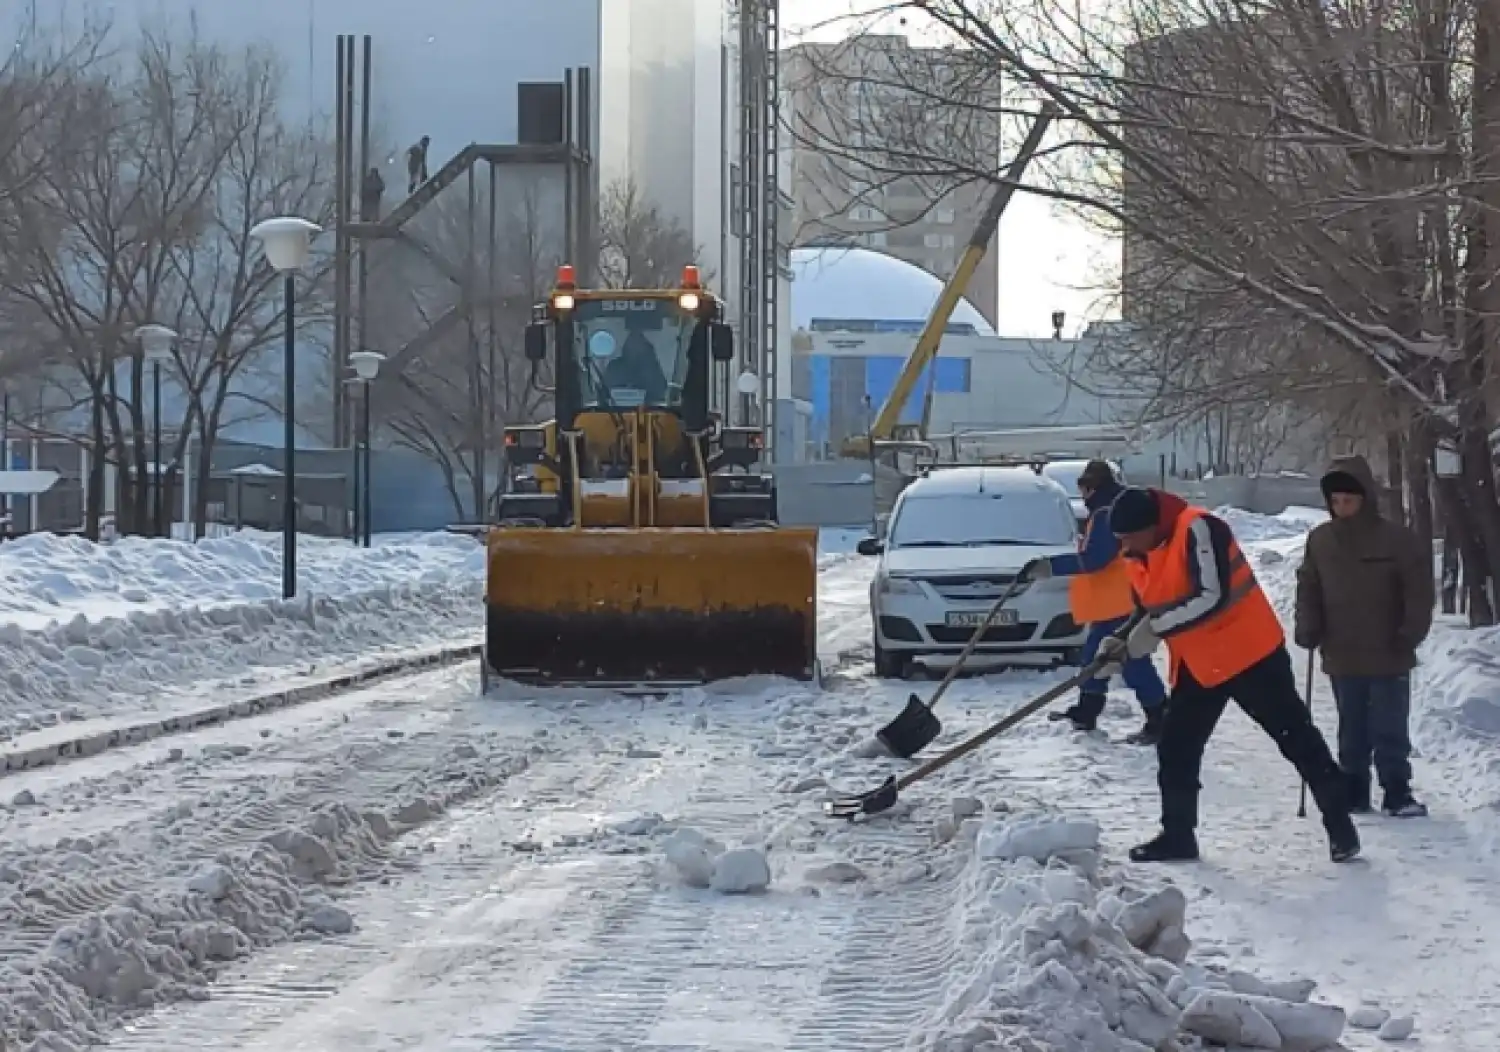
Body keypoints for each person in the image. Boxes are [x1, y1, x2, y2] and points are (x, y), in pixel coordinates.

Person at [1099, 486, 1360, 864]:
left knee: (1295, 738)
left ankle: (1340, 825)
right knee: (1176, 749)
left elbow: (1212, 595)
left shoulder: (1200, 528)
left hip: (1250, 654)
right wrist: (1120, 644)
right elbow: (1150, 609)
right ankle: (1178, 835)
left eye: (1129, 537)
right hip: (1199, 663)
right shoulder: (1137, 555)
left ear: (1152, 525)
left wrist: (1154, 631)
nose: (1124, 546)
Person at [1294, 455, 1434, 818]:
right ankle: (1354, 789)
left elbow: (1418, 591)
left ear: (1365, 498)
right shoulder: (1321, 541)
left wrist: (1409, 633)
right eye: (1335, 501)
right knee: (1351, 726)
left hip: (1389, 648)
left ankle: (1397, 791)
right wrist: (1308, 626)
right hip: (1342, 651)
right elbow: (1308, 586)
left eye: (1349, 500)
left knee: (1389, 726)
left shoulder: (1397, 540)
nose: (1342, 508)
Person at [1028, 460, 1167, 744]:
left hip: (1120, 602)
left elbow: (1095, 559)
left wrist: (1051, 566)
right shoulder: (1112, 508)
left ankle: (1160, 717)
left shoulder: (1106, 514)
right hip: (1114, 601)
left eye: (1083, 490)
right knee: (1094, 656)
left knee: (1132, 661)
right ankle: (1087, 710)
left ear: (1091, 487)